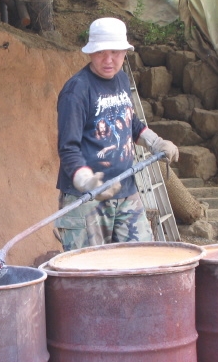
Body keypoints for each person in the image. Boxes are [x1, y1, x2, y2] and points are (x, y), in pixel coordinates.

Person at [54, 17, 179, 251]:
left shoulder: (121, 79)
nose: (109, 60)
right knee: (89, 272)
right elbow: (68, 148)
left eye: (115, 52)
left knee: (140, 261)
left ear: (125, 52)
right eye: (101, 52)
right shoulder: (77, 91)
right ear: (91, 52)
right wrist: (86, 181)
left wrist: (156, 142)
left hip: (126, 190)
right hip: (87, 201)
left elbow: (129, 123)